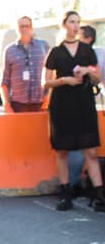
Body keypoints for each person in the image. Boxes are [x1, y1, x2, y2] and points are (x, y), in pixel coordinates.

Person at [43, 11, 104, 211]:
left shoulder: (87, 50)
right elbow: (46, 82)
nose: (75, 26)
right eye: (72, 22)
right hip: (61, 103)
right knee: (62, 151)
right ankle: (65, 193)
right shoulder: (55, 52)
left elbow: (97, 78)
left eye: (78, 22)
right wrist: (64, 80)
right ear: (64, 25)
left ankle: (99, 194)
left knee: (90, 151)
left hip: (83, 102)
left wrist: (88, 71)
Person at [0, 16, 47, 113]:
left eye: (27, 26)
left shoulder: (43, 46)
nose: (24, 29)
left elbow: (51, 73)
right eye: (21, 26)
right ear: (17, 29)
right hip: (18, 104)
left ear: (31, 28)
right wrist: (6, 104)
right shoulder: (9, 51)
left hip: (40, 103)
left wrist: (48, 97)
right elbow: (4, 81)